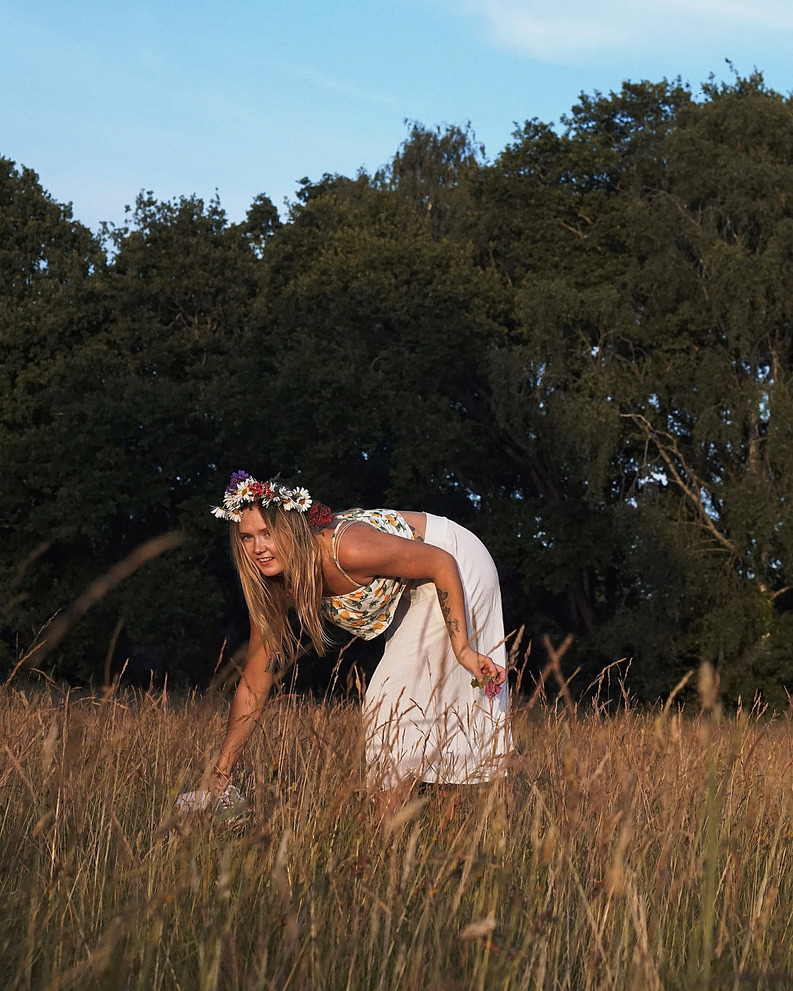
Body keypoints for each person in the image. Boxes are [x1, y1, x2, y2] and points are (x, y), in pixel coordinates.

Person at [199, 470, 511, 810]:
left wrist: (462, 649)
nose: (259, 548)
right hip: (415, 582)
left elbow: (440, 562)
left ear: (291, 529)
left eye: (268, 533)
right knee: (413, 709)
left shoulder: (346, 549)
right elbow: (253, 684)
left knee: (391, 703)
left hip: (454, 562)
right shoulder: (271, 588)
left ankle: (386, 838)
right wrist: (220, 773)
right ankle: (422, 835)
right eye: (247, 537)